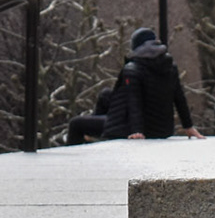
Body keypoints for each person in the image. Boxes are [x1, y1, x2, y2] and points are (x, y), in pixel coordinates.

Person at [70, 29, 205, 144]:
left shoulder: (133, 69)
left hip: (132, 127)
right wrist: (188, 126)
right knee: (105, 95)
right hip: (163, 129)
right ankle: (93, 134)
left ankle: (72, 163)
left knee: (76, 124)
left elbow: (134, 101)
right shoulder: (170, 67)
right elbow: (179, 96)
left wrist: (137, 131)